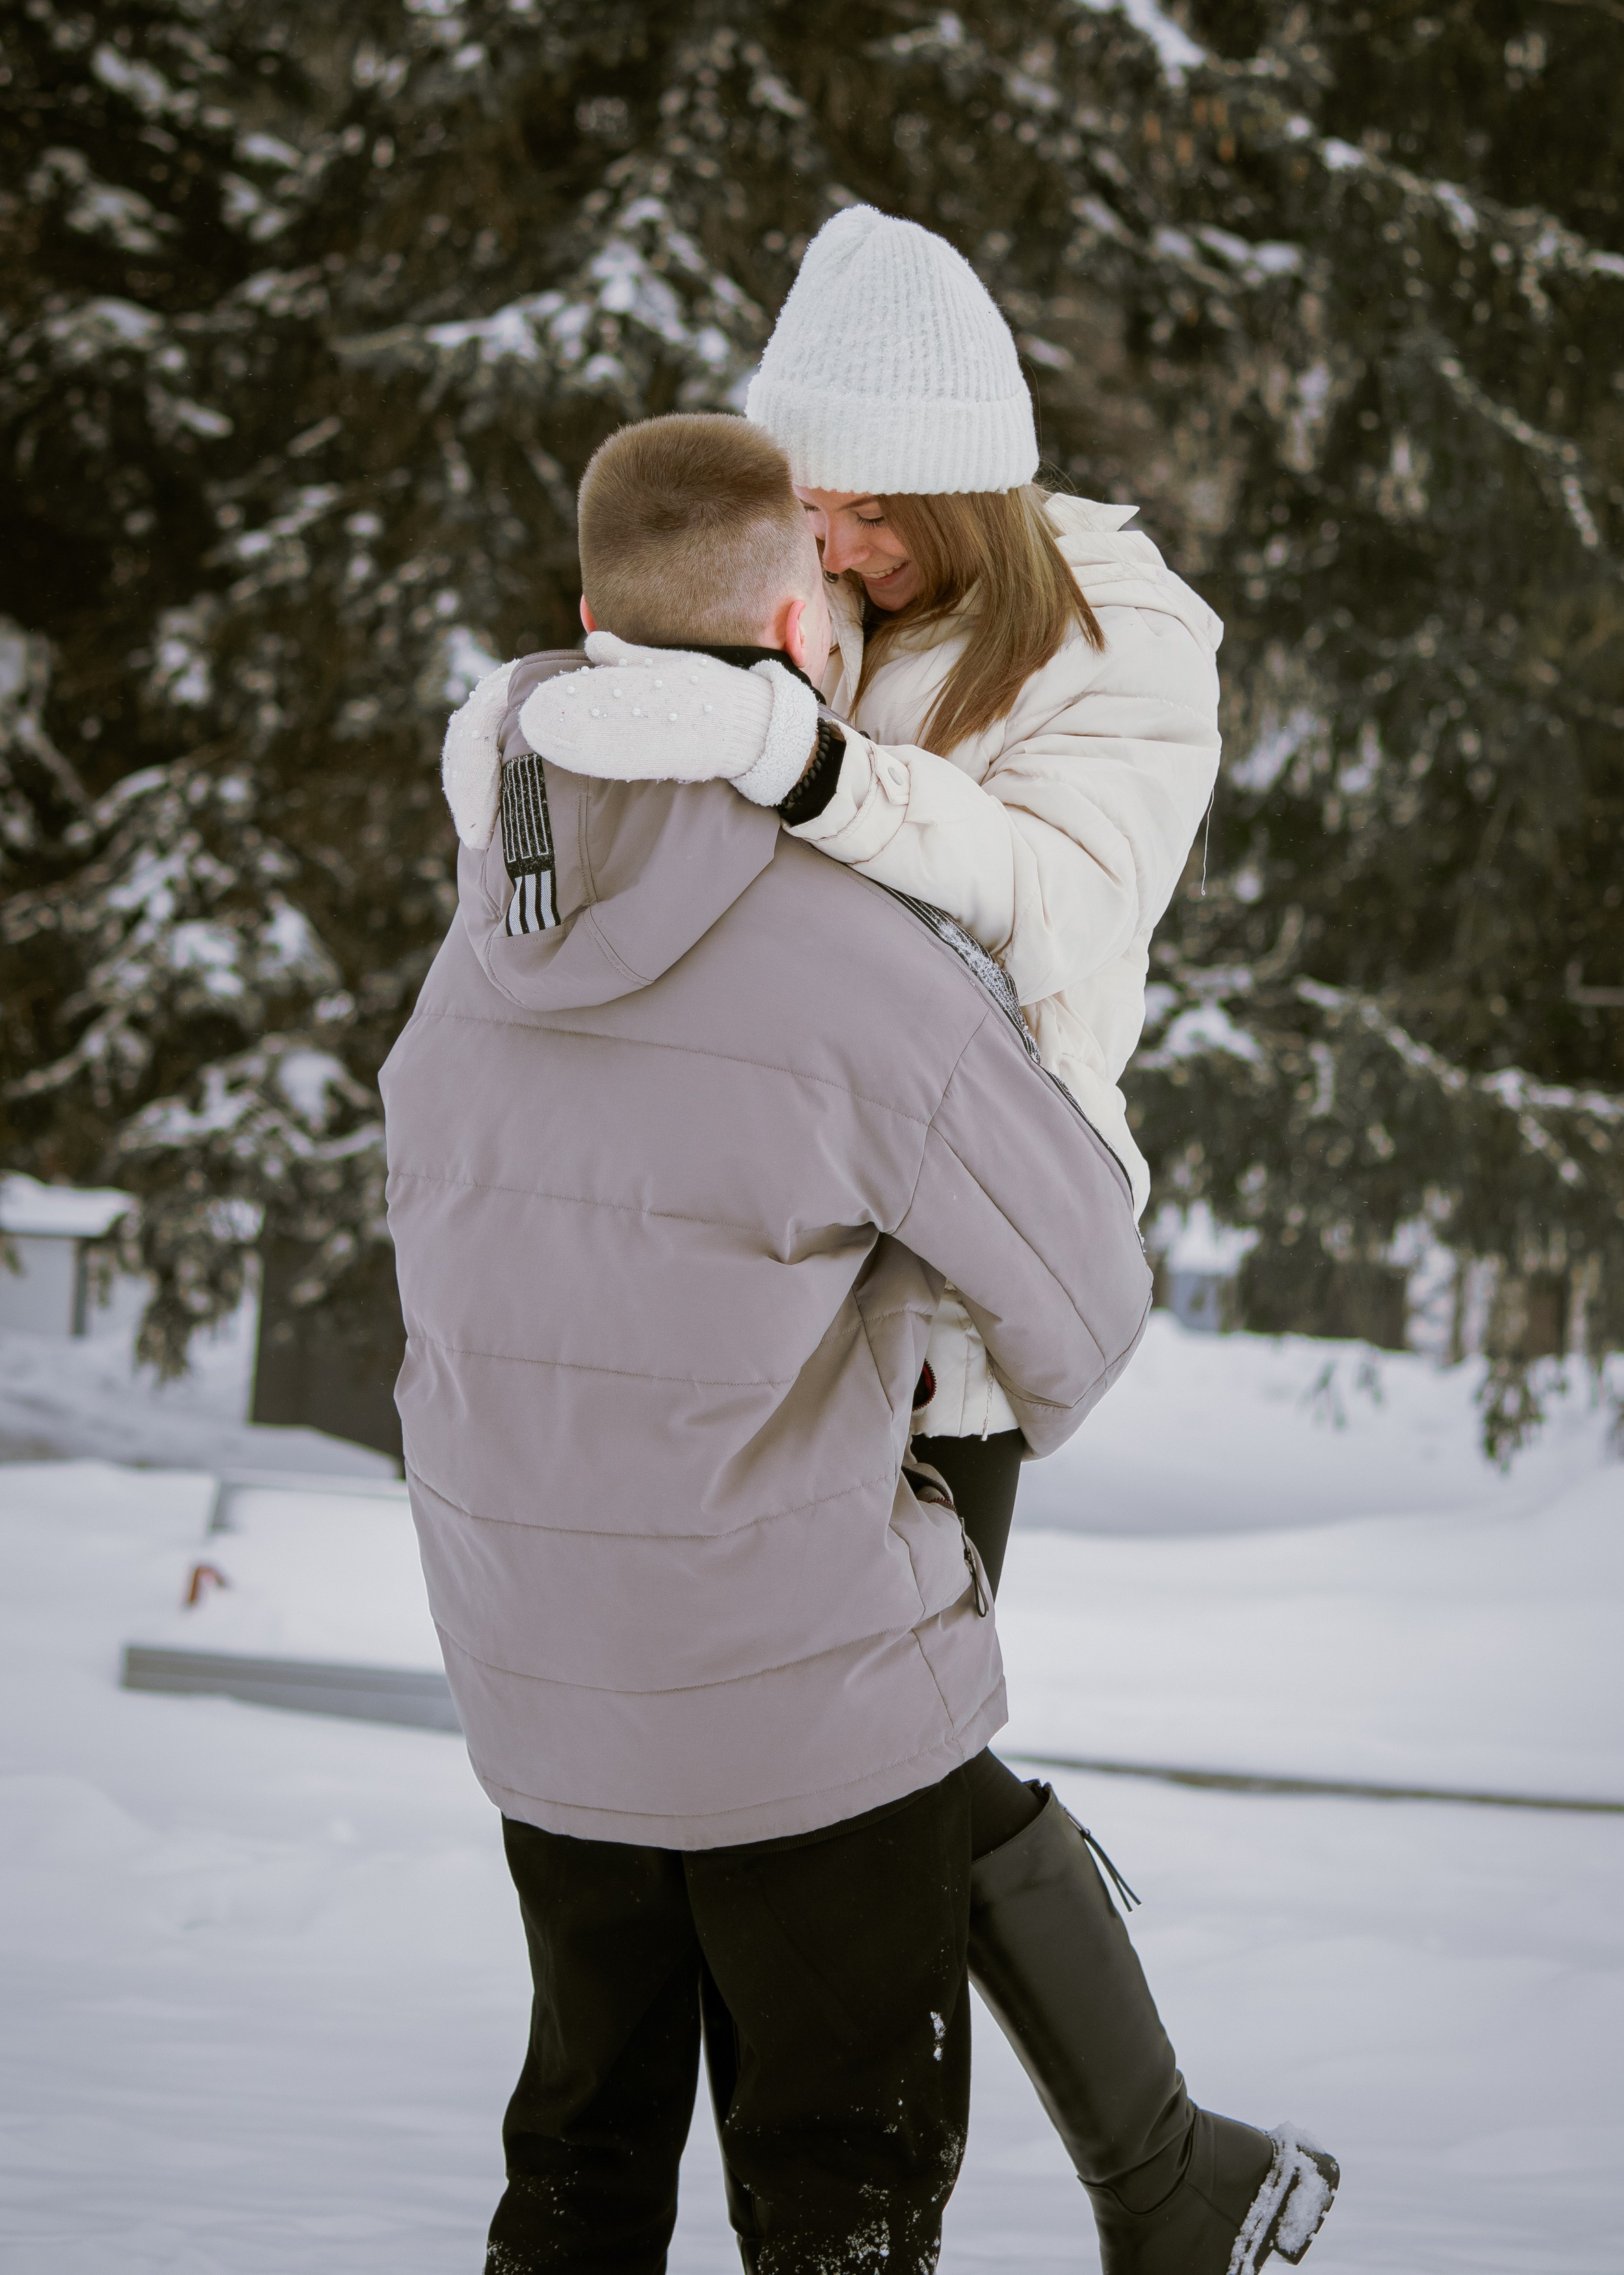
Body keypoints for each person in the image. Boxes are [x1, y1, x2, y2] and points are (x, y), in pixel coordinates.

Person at [512, 213, 1341, 2274]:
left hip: (949, 1307)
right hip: (762, 1282)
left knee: (853, 1775)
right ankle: (1173, 2176)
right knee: (846, 1760)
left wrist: (808, 762)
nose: (841, 545)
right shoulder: (836, 591)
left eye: (874, 515)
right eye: (820, 509)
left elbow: (1059, 907)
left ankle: (1157, 2175)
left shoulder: (1124, 646)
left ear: (968, 484)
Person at [390, 410, 1154, 2274]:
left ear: (590, 626)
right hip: (805, 1703)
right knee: (841, 2191)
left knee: (580, 2161)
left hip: (537, 1682)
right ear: (809, 639)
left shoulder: (484, 934)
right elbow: (1086, 1309)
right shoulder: (863, 958)